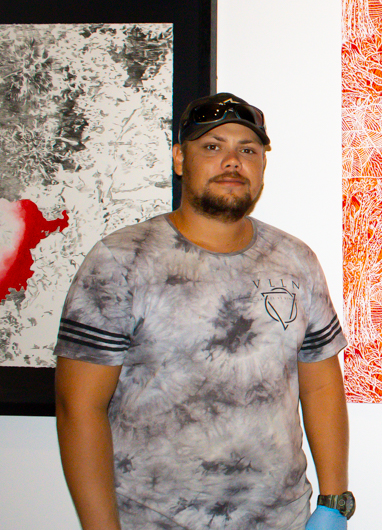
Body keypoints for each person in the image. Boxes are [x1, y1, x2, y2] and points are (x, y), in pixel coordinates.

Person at [54, 93, 355, 530]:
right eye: (212, 147)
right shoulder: (121, 260)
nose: (232, 161)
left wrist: (334, 501)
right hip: (151, 519)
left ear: (262, 165)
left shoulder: (296, 261)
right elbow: (77, 407)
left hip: (280, 519)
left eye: (247, 150)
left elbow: (321, 385)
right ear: (180, 159)